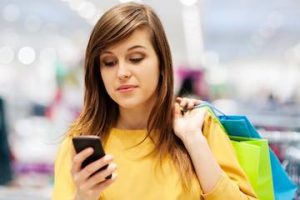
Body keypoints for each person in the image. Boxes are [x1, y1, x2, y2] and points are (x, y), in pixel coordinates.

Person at [52, 2, 257, 200]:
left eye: (136, 58)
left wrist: (194, 142)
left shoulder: (200, 127)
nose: (122, 73)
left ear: (161, 64)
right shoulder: (79, 143)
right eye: (109, 62)